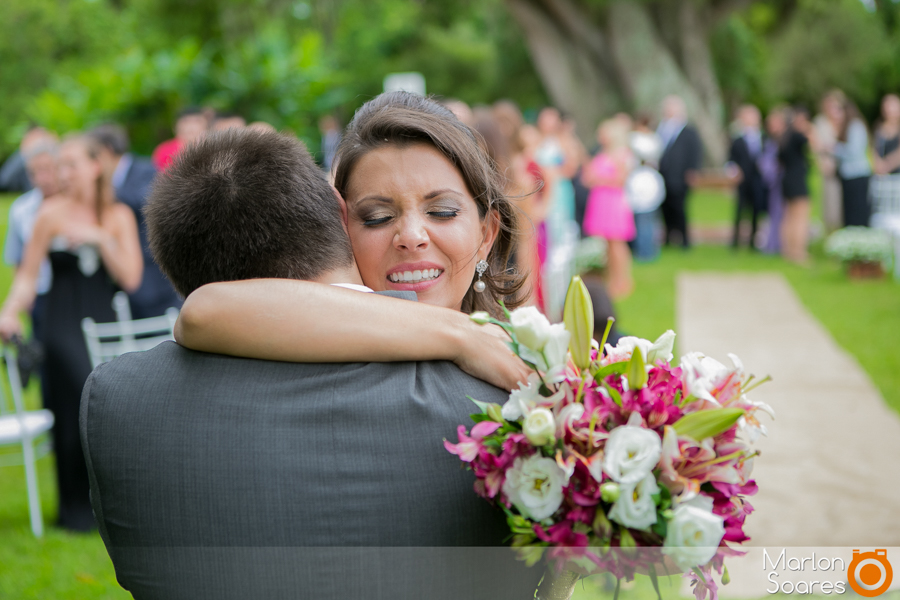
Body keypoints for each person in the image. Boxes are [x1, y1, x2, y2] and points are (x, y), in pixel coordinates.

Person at [80, 124, 542, 598]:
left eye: (442, 210)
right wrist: (460, 334)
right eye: (377, 215)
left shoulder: (117, 401)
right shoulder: (508, 406)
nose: (411, 236)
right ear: (340, 217)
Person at [0, 134, 143, 532]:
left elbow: (130, 278)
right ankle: (76, 509)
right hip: (61, 324)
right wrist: (9, 311)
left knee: (109, 405)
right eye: (60, 165)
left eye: (71, 164)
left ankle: (113, 504)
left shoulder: (118, 215)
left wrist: (102, 239)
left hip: (104, 321)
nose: (62, 173)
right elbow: (27, 277)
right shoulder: (49, 214)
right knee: (78, 394)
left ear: (96, 166)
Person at [89, 124, 182, 318]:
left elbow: (147, 202)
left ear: (107, 150)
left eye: (94, 155)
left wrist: (104, 195)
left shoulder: (146, 171)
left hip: (153, 279)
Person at [3, 138, 60, 341]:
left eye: (47, 169)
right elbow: (19, 261)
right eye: (35, 172)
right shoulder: (22, 210)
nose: (42, 178)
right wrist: (20, 304)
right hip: (39, 294)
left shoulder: (77, 205)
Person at [582, 118, 635, 299]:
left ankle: (623, 280)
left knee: (617, 243)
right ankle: (612, 279)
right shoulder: (601, 153)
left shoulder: (621, 154)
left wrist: (599, 179)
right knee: (607, 244)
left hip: (613, 203)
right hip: (601, 202)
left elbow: (621, 179)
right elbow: (587, 178)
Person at [657, 95, 703, 248]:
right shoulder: (661, 129)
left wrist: (693, 171)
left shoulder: (689, 131)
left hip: (680, 176)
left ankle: (684, 239)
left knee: (679, 207)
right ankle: (668, 237)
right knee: (665, 208)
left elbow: (695, 152)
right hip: (663, 175)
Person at [825, 91, 872, 227]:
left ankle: (858, 234)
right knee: (849, 211)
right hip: (848, 175)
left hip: (857, 175)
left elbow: (853, 151)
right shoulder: (846, 127)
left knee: (857, 210)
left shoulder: (855, 126)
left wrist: (834, 148)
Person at [728, 105, 767, 250]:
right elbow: (731, 160)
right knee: (739, 210)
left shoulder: (764, 138)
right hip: (742, 181)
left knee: (756, 210)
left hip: (758, 180)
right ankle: (735, 241)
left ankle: (753, 241)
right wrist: (734, 171)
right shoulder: (737, 140)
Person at [779, 108, 812, 264]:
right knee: (801, 217)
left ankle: (787, 251)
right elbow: (813, 145)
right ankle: (799, 253)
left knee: (788, 216)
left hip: (786, 179)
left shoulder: (784, 137)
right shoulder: (798, 136)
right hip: (797, 180)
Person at [874, 93, 900, 175]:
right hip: (882, 176)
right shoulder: (878, 127)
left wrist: (887, 166)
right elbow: (874, 149)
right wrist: (878, 164)